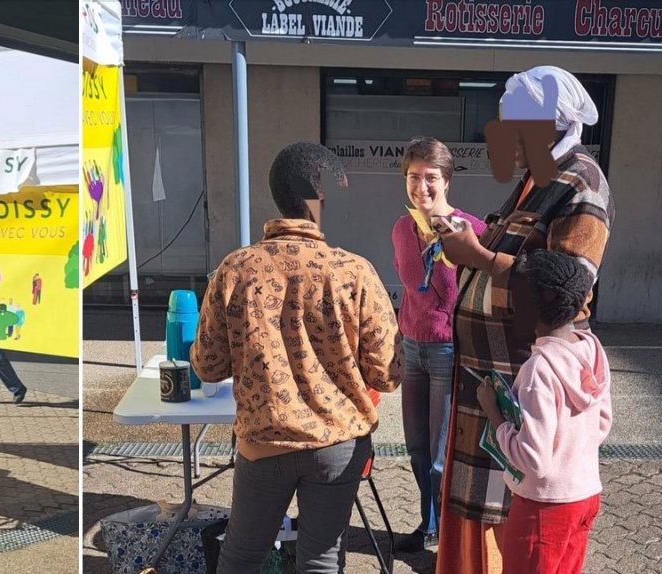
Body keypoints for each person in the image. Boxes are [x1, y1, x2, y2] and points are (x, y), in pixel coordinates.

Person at [191, 142, 401, 573]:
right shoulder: (354, 271)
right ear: (317, 195)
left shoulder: (235, 268)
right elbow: (386, 373)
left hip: (262, 441)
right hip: (338, 445)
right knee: (320, 559)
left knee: (242, 555)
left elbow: (208, 365)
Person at [435, 65, 614, 574]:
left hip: (520, 387)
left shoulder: (582, 185)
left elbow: (571, 288)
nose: (501, 135)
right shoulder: (536, 179)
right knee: (489, 522)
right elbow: (509, 251)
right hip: (492, 375)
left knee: (514, 528)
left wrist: (478, 256)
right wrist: (467, 243)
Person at [477, 250, 611, 574]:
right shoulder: (592, 352)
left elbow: (533, 459)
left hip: (543, 508)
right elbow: (603, 422)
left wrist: (495, 415)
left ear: (532, 307)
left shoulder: (539, 371)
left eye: (516, 300)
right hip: (584, 495)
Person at [390, 137, 487, 553]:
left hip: (449, 353)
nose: (422, 187)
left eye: (431, 178)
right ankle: (427, 525)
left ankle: (449, 538)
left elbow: (488, 291)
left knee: (439, 456)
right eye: (414, 177)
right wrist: (397, 344)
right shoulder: (401, 228)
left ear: (446, 180)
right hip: (412, 349)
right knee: (414, 448)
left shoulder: (471, 230)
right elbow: (409, 293)